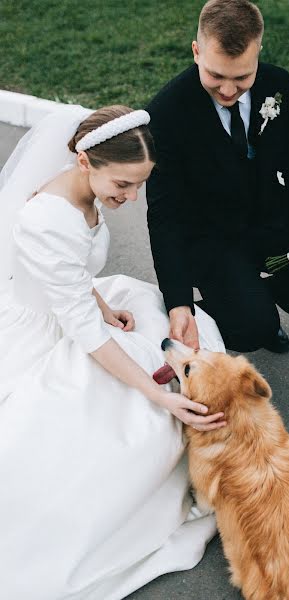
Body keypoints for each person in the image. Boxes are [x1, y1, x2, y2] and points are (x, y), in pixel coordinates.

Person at [0, 104, 226, 600]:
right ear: (85, 162)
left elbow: (72, 274)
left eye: (139, 185)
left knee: (180, 324)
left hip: (77, 309)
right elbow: (84, 331)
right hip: (52, 332)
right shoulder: (47, 218)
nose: (131, 196)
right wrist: (157, 394)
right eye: (123, 185)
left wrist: (103, 305)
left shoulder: (85, 191)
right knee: (137, 410)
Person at [146, 0, 289, 354]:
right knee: (253, 329)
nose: (227, 90)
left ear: (258, 54)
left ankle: (249, 307)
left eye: (241, 77)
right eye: (216, 75)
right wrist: (178, 302)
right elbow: (163, 217)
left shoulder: (277, 83)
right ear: (196, 52)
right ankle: (245, 316)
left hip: (270, 217)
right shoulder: (165, 113)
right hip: (211, 237)